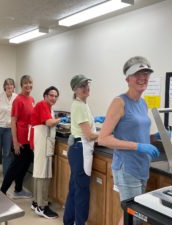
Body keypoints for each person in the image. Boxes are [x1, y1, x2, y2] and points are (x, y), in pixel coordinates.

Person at [98, 56, 160, 225]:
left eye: (146, 73)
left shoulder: (143, 103)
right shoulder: (119, 102)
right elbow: (103, 138)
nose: (143, 77)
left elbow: (138, 132)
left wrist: (155, 137)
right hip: (127, 167)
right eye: (137, 74)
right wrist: (138, 146)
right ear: (128, 79)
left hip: (142, 165)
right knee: (133, 215)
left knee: (134, 215)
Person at [63, 74, 99, 225]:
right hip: (81, 150)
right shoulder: (79, 105)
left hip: (77, 149)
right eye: (81, 86)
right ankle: (79, 222)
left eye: (86, 85)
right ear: (75, 89)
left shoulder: (82, 104)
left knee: (75, 188)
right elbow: (89, 135)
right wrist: (107, 133)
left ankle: (68, 221)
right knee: (82, 191)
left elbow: (87, 129)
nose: (86, 88)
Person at [31, 86, 65, 219]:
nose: (54, 98)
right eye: (51, 95)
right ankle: (42, 206)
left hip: (43, 141)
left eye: (56, 96)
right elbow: (49, 122)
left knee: (39, 172)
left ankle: (36, 202)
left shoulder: (47, 107)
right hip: (42, 141)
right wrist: (61, 120)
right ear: (45, 96)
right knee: (43, 173)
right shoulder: (42, 104)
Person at [0, 75, 34, 199]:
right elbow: (13, 121)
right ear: (21, 85)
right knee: (15, 167)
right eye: (25, 83)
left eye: (30, 83)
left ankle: (18, 190)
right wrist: (15, 141)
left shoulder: (31, 99)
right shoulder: (18, 100)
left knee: (24, 165)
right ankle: (2, 191)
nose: (28, 85)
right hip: (20, 140)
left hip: (29, 139)